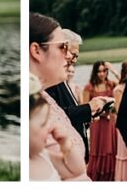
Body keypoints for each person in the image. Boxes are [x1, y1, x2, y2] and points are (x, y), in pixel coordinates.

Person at [29, 13, 88, 180]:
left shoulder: (44, 99)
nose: (69, 55)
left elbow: (76, 169)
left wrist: (66, 145)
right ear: (36, 51)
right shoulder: (31, 108)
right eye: (63, 47)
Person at [44, 29, 111, 162]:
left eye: (76, 56)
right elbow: (57, 116)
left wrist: (88, 116)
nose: (73, 60)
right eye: (72, 55)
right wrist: (88, 108)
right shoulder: (49, 80)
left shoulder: (60, 77)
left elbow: (67, 112)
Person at [84, 60, 118, 181]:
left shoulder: (111, 84)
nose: (102, 74)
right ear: (95, 72)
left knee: (111, 148)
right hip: (97, 122)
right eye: (99, 71)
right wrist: (99, 111)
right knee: (99, 148)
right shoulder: (89, 87)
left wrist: (113, 70)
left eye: (104, 70)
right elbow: (84, 107)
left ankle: (112, 175)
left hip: (110, 122)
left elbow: (125, 85)